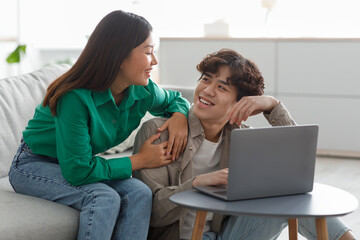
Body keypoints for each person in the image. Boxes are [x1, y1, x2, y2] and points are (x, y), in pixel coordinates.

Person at [133, 49, 356, 240]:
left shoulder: (243, 139)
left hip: (227, 234)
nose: (207, 90)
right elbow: (153, 213)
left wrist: (272, 106)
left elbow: (297, 169)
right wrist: (197, 183)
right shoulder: (160, 132)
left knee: (291, 194)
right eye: (206, 79)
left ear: (240, 104)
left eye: (222, 87)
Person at [8, 10, 190, 240]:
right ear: (120, 57)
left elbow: (176, 100)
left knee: (140, 192)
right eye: (148, 52)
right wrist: (140, 160)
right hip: (33, 163)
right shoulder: (75, 97)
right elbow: (78, 170)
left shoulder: (142, 89)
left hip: (80, 163)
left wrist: (180, 118)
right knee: (103, 197)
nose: (154, 60)